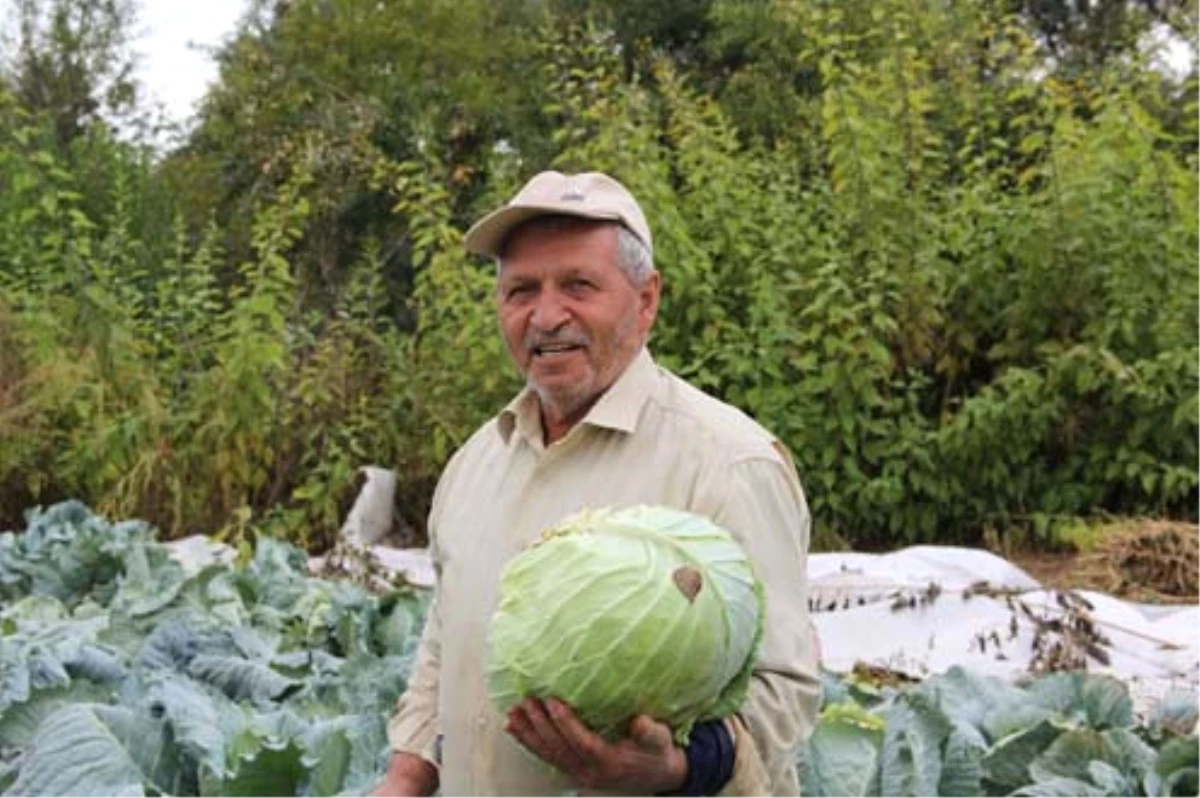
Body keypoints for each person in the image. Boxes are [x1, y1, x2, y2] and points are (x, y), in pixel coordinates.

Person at [377, 171, 820, 797]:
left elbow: (787, 693)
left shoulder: (728, 462)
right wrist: (406, 775)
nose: (546, 315)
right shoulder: (477, 461)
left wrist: (677, 770)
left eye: (579, 285)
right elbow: (448, 644)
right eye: (520, 290)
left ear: (646, 300)